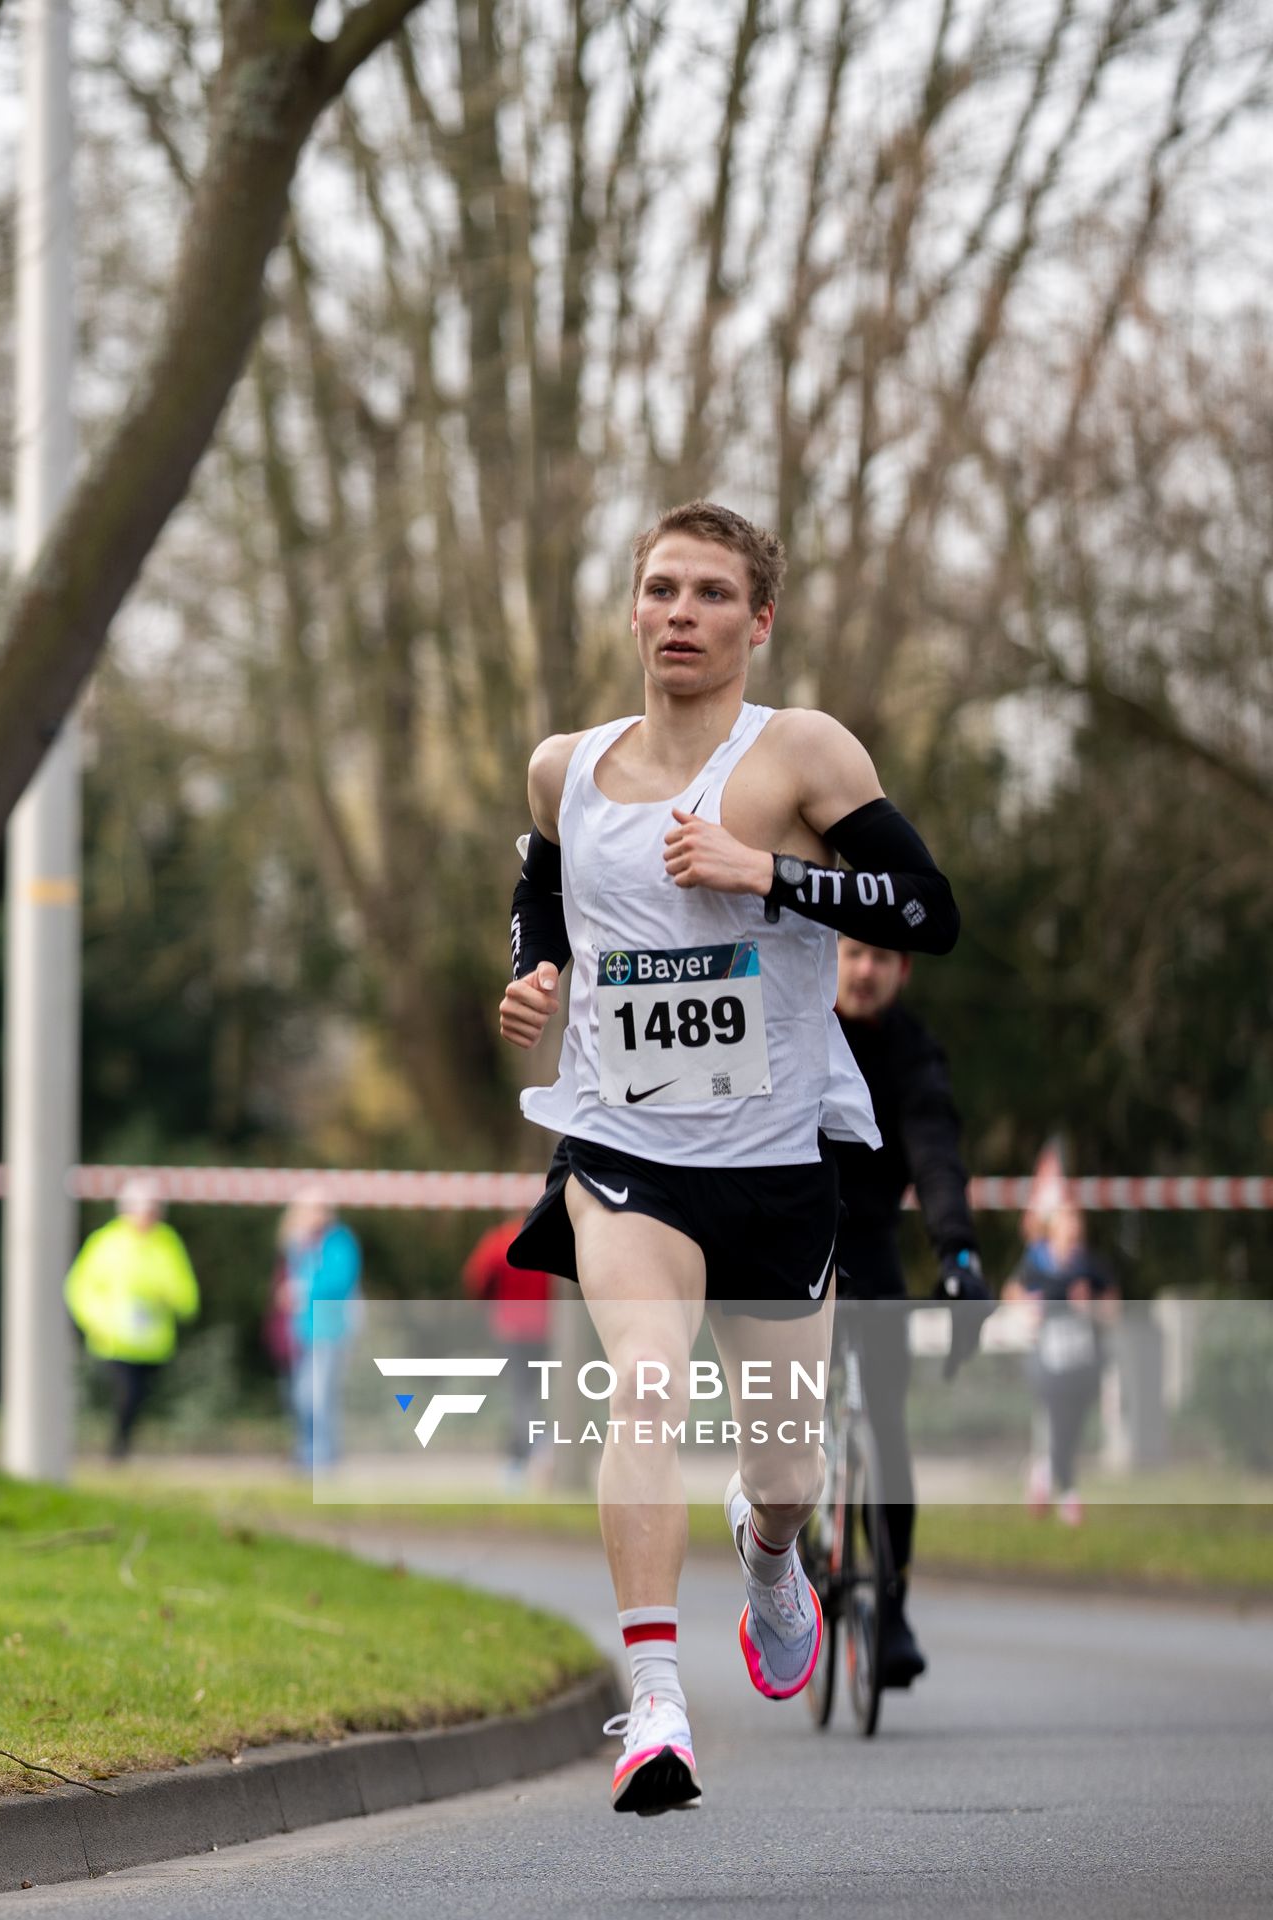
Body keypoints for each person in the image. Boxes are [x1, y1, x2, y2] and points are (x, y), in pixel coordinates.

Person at [498, 499, 960, 1814]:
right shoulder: (565, 767)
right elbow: (542, 882)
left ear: (757, 621)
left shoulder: (801, 756)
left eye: (709, 594)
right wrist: (534, 973)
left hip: (774, 1163)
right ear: (633, 609)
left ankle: (771, 1559)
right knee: (643, 1387)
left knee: (787, 1468)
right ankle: (654, 1706)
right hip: (622, 1146)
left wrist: (769, 874)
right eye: (660, 590)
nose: (680, 614)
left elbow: (933, 908)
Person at [831, 936, 991, 1689]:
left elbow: (935, 1155)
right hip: (788, 1241)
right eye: (854, 952)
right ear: (829, 952)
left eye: (882, 959)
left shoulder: (913, 1052)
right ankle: (784, 1556)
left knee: (886, 1430)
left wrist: (958, 1255)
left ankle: (891, 1611)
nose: (865, 970)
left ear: (904, 969)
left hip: (870, 1244)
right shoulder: (791, 1022)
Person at [64, 1176, 200, 1459]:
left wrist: (168, 1295)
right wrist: (97, 1321)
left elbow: (187, 1295)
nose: (147, 1216)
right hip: (114, 1340)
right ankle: (117, 1449)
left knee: (137, 1399)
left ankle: (122, 1445)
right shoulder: (106, 1242)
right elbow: (79, 1288)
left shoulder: (167, 1243)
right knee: (124, 1395)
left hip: (153, 1344)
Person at [1004, 1201, 1118, 1526]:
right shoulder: (1036, 1264)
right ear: (1054, 1228)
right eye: (1066, 1221)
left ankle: (1043, 1472)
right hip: (1049, 1362)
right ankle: (1069, 1495)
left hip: (1083, 1364)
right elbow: (1012, 1292)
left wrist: (1091, 1307)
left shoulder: (1091, 1266)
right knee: (1057, 1423)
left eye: (1075, 1221)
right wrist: (1028, 1306)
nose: (1072, 1228)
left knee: (1072, 1428)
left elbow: (1113, 1309)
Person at [462, 1217, 553, 1485]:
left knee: (520, 1396)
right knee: (532, 1394)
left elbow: (476, 1278)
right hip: (543, 1329)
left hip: (512, 1328)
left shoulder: (500, 1241)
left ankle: (525, 1455)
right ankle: (530, 1452)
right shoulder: (549, 1240)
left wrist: (489, 1306)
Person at [277, 1185, 362, 1472]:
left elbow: (339, 1281)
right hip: (302, 1330)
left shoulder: (340, 1242)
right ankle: (308, 1451)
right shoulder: (298, 1243)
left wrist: (305, 1289)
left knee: (319, 1396)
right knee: (302, 1396)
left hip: (331, 1330)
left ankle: (323, 1455)